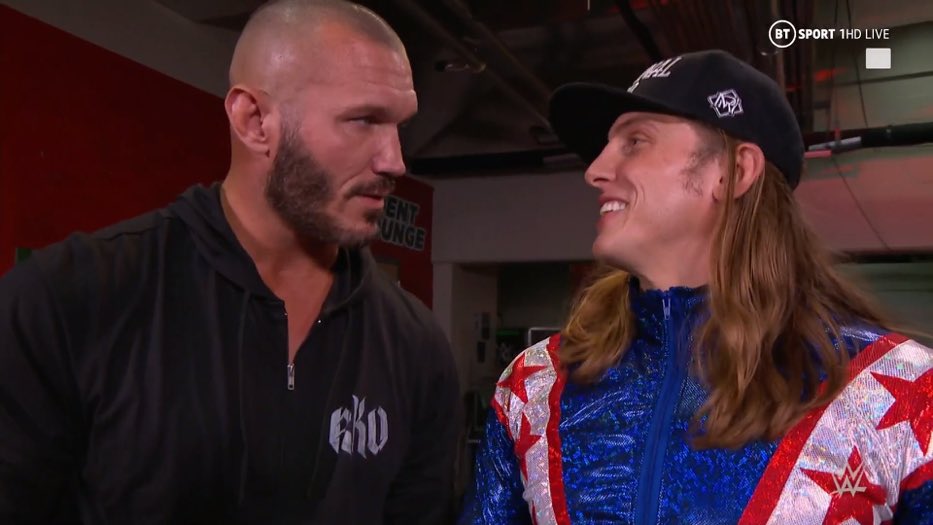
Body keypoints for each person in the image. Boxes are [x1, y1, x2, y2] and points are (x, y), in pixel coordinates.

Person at [0, 1, 461, 523]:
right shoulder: (68, 300)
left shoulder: (416, 347)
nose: (394, 161)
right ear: (254, 120)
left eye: (399, 126)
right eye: (364, 120)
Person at [460, 49, 933, 524]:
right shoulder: (533, 387)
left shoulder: (899, 390)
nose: (595, 170)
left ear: (733, 172)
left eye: (635, 141)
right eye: (607, 145)